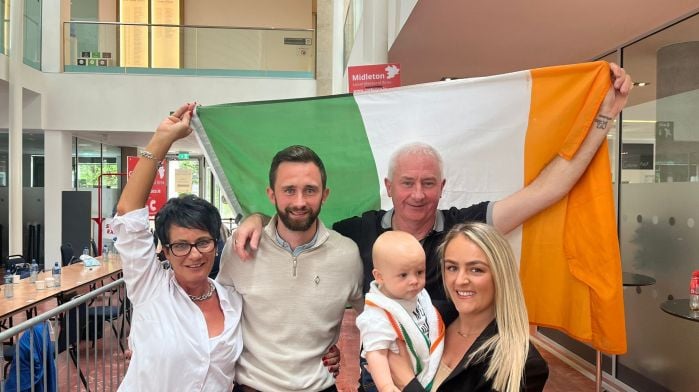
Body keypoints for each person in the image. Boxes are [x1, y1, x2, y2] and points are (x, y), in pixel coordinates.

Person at [233, 63, 632, 390]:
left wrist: (604, 116)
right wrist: (256, 219)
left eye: (428, 183)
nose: (418, 195)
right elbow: (299, 221)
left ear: (442, 186)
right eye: (407, 183)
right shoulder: (358, 233)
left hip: (453, 377)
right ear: (389, 187)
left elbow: (550, 188)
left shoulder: (465, 229)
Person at [112, 103, 243, 391]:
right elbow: (128, 212)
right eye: (181, 246)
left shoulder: (234, 302)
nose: (194, 254)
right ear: (165, 250)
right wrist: (163, 138)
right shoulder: (150, 289)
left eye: (203, 242)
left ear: (216, 244)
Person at [217, 145, 364, 392]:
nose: (299, 201)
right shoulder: (241, 247)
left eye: (310, 190)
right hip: (252, 387)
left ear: (324, 194)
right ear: (272, 194)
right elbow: (215, 313)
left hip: (320, 387)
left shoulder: (347, 254)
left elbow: (374, 318)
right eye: (289, 190)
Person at [392, 222, 548, 391]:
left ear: (501, 275)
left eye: (476, 270)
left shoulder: (524, 364)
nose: (460, 280)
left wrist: (406, 382)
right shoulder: (424, 316)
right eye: (452, 267)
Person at [356, 231, 445, 392]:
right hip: (381, 378)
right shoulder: (377, 315)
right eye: (403, 275)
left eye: (419, 272)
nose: (414, 281)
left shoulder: (416, 297)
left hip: (410, 374)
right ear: (379, 277)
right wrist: (386, 386)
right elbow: (375, 354)